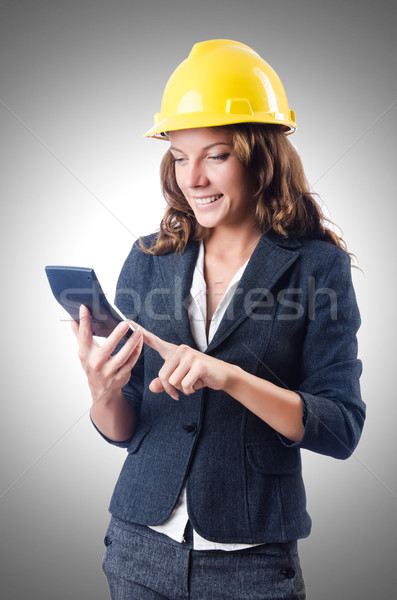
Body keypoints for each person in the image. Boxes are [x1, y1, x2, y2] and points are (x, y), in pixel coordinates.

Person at [72, 40, 365, 600]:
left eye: (216, 155)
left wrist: (226, 375)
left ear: (261, 156)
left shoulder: (317, 267)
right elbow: (124, 427)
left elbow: (340, 427)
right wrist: (101, 391)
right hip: (137, 549)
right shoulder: (149, 258)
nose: (194, 178)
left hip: (251, 565)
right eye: (180, 157)